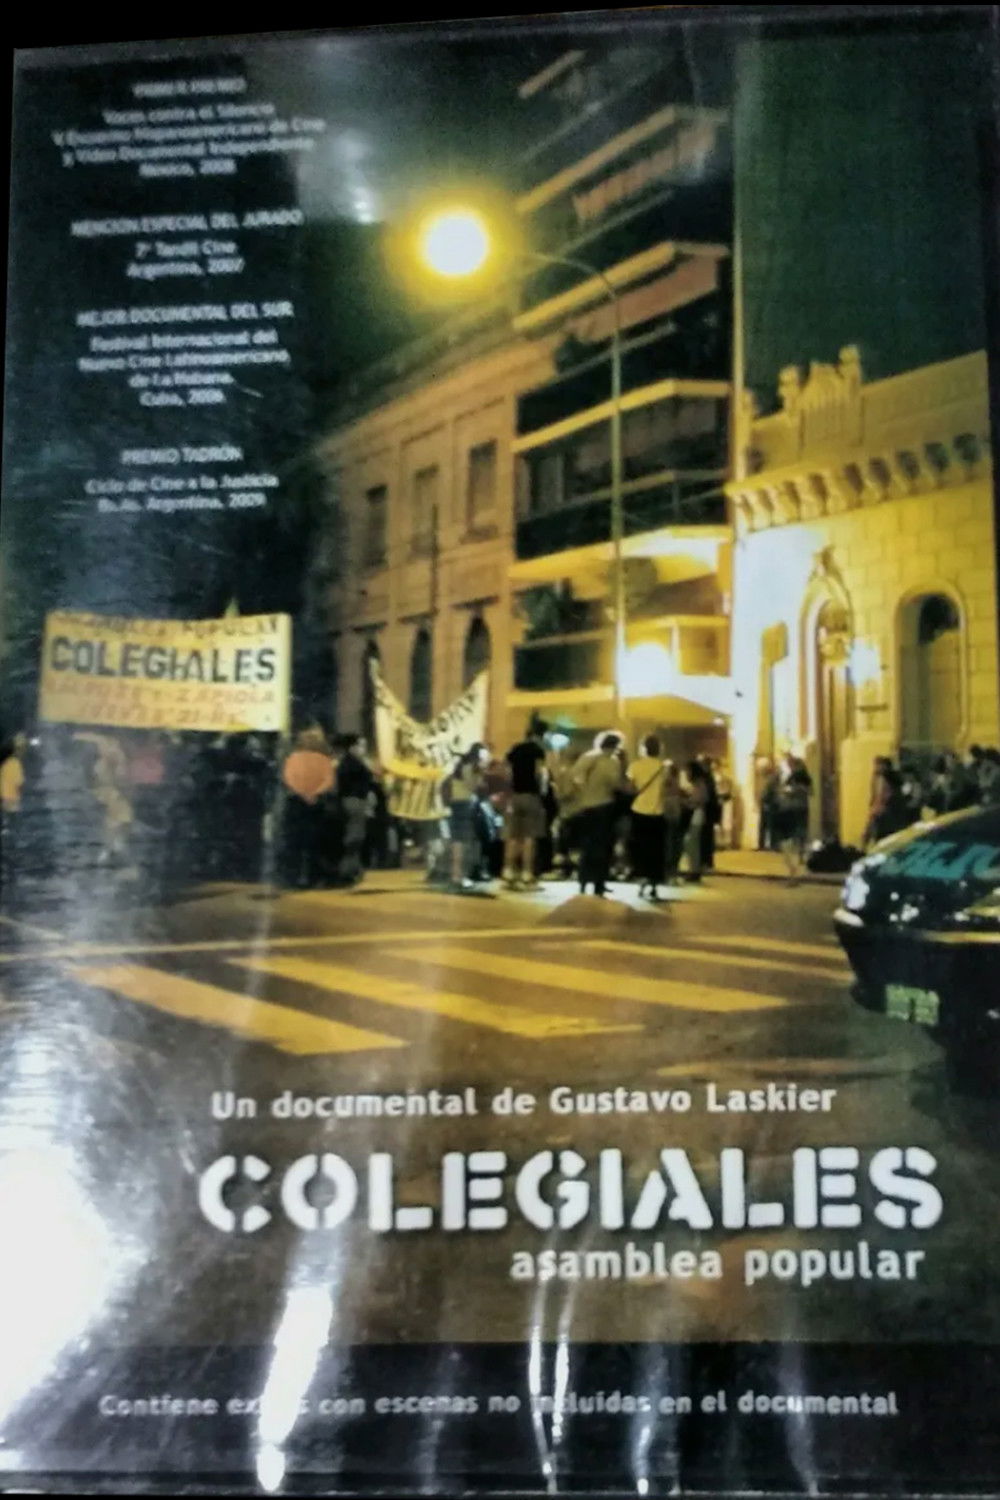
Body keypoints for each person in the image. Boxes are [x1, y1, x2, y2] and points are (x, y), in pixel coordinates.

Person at [572, 732, 627, 897]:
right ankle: (599, 884)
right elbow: (616, 784)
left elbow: (576, 777)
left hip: (586, 806)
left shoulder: (588, 757)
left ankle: (583, 881)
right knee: (603, 847)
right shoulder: (612, 762)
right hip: (604, 806)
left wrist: (584, 792)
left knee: (587, 846)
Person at [281, 727, 335, 889]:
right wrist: (314, 794)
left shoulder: (292, 759)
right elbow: (328, 780)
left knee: (296, 843)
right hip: (316, 804)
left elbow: (288, 779)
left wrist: (303, 793)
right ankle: (313, 878)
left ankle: (294, 878)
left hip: (297, 803)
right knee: (314, 844)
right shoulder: (324, 760)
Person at [503, 721, 549, 890]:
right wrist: (543, 791)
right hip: (531, 796)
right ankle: (526, 873)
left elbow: (507, 771)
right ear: (540, 735)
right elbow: (540, 773)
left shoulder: (515, 749)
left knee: (513, 836)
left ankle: (508, 870)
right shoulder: (538, 750)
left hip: (515, 796)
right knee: (529, 836)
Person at [627, 735, 667, 900]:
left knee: (640, 848)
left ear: (643, 748)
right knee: (656, 849)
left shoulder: (635, 766)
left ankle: (641, 878)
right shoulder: (663, 767)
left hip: (638, 810)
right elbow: (667, 789)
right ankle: (654, 882)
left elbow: (630, 788)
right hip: (657, 812)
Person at [443, 741, 486, 891]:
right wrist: (479, 776)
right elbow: (472, 786)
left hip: (456, 802)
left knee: (457, 839)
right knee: (462, 840)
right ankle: (458, 875)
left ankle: (455, 875)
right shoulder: (469, 767)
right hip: (464, 803)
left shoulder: (460, 765)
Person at [336, 735, 377, 887]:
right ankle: (348, 870)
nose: (363, 749)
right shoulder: (352, 764)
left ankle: (353, 869)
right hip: (354, 800)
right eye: (361, 746)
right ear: (353, 747)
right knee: (355, 836)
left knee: (355, 835)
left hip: (353, 800)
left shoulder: (349, 763)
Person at [772, 751, 813, 881]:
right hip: (795, 808)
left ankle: (798, 860)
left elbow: (809, 791)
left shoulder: (799, 777)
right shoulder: (790, 776)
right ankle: (800, 857)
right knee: (799, 833)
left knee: (796, 835)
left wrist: (794, 790)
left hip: (794, 809)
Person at [681, 760, 710, 883]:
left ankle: (694, 870)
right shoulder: (697, 783)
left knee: (692, 843)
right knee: (691, 843)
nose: (686, 773)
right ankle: (693, 869)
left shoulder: (699, 783)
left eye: (687, 771)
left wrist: (687, 802)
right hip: (696, 815)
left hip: (696, 815)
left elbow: (701, 799)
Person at [662, 759, 685, 884]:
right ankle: (672, 869)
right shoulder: (675, 783)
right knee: (673, 843)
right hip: (674, 816)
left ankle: (670, 869)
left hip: (669, 816)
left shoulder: (666, 782)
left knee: (670, 843)